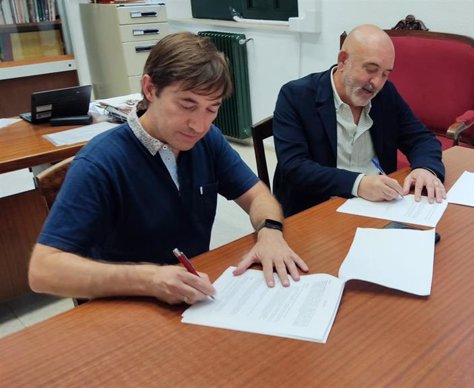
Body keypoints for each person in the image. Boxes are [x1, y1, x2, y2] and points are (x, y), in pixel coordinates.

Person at [28, 32, 308, 305]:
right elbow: (43, 271)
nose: (198, 125)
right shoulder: (101, 163)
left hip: (192, 299)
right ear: (150, 89)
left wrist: (270, 231)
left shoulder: (207, 141)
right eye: (187, 105)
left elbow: (258, 196)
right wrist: (149, 279)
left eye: (212, 109)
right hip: (125, 309)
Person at [272, 24, 446, 217]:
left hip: (379, 208)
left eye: (385, 74)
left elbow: (422, 139)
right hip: (318, 208)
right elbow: (295, 167)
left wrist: (425, 168)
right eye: (371, 69)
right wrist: (358, 184)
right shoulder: (296, 96)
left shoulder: (386, 94)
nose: (377, 83)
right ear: (343, 61)